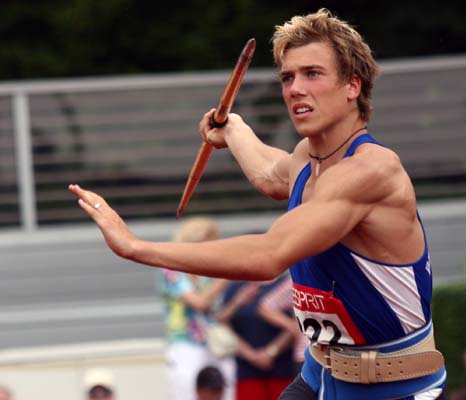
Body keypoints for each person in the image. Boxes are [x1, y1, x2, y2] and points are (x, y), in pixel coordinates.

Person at [68, 8, 446, 399]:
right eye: (287, 77)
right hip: (321, 376)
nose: (295, 88)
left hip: (392, 387)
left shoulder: (370, 171)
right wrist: (233, 129)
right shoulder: (307, 159)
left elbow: (268, 255)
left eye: (312, 74)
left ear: (352, 86)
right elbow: (271, 174)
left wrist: (136, 247)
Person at [157, 217, 236, 400]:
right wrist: (227, 275)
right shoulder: (172, 270)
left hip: (214, 341)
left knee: (225, 390)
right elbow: (200, 303)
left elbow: (216, 311)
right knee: (185, 392)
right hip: (185, 341)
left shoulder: (209, 270)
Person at [217, 276, 295, 400]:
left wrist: (271, 352)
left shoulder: (287, 283)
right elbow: (222, 323)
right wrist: (251, 355)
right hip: (247, 373)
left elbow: (297, 324)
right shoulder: (235, 287)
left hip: (283, 371)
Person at [257, 273, 309, 375]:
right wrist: (293, 327)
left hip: (338, 356)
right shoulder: (300, 278)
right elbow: (265, 307)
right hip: (306, 355)